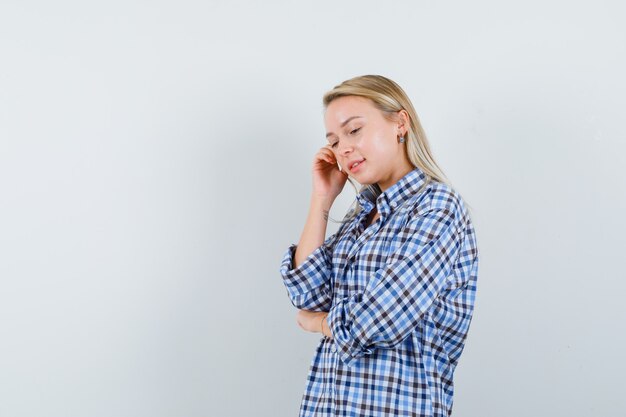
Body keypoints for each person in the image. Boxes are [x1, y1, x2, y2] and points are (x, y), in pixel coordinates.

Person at [279, 74, 479, 417]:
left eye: (353, 130)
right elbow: (307, 294)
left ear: (400, 123)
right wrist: (323, 198)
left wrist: (317, 324)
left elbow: (381, 318)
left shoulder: (437, 207)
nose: (343, 148)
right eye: (334, 140)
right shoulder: (362, 215)